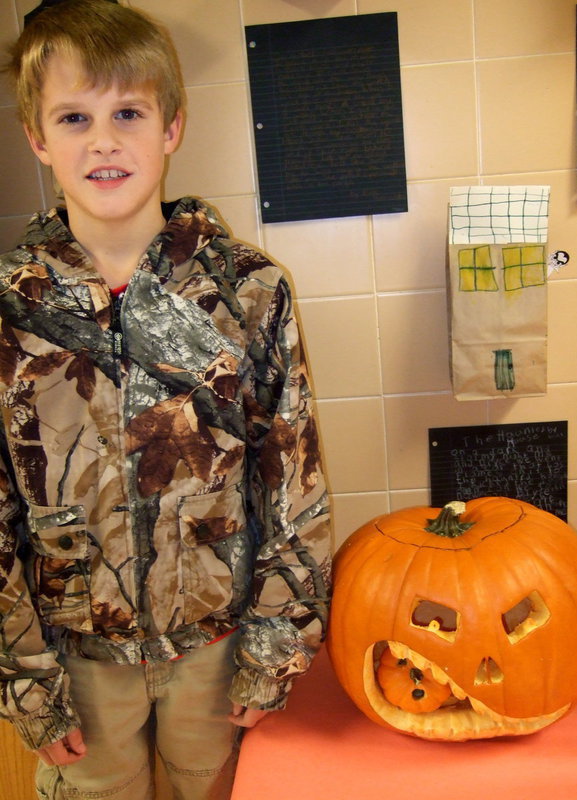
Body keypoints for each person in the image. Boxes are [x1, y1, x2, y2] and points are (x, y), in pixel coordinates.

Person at [0, 1, 332, 798]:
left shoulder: (247, 292)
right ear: (38, 138)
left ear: (171, 127)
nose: (103, 140)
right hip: (75, 662)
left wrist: (273, 648)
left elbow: (293, 483)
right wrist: (25, 678)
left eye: (128, 113)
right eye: (74, 118)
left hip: (216, 654)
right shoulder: (11, 308)